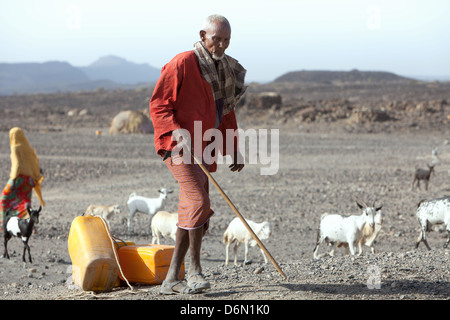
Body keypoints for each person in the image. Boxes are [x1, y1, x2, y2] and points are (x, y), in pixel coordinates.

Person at [150, 14, 246, 294]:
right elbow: (158, 105)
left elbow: (226, 111)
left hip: (204, 147)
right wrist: (175, 129)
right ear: (203, 35)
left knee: (192, 209)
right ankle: (194, 271)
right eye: (217, 39)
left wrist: (233, 148)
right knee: (197, 200)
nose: (222, 45)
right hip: (177, 145)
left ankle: (171, 280)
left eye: (227, 40)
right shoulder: (182, 63)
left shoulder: (224, 69)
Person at [1, 127, 45, 228]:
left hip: (18, 179)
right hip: (29, 180)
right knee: (25, 203)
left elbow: (17, 165)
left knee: (4, 200)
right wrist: (35, 174)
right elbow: (33, 162)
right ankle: (27, 225)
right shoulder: (28, 148)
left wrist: (13, 179)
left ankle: (5, 224)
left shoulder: (15, 148)